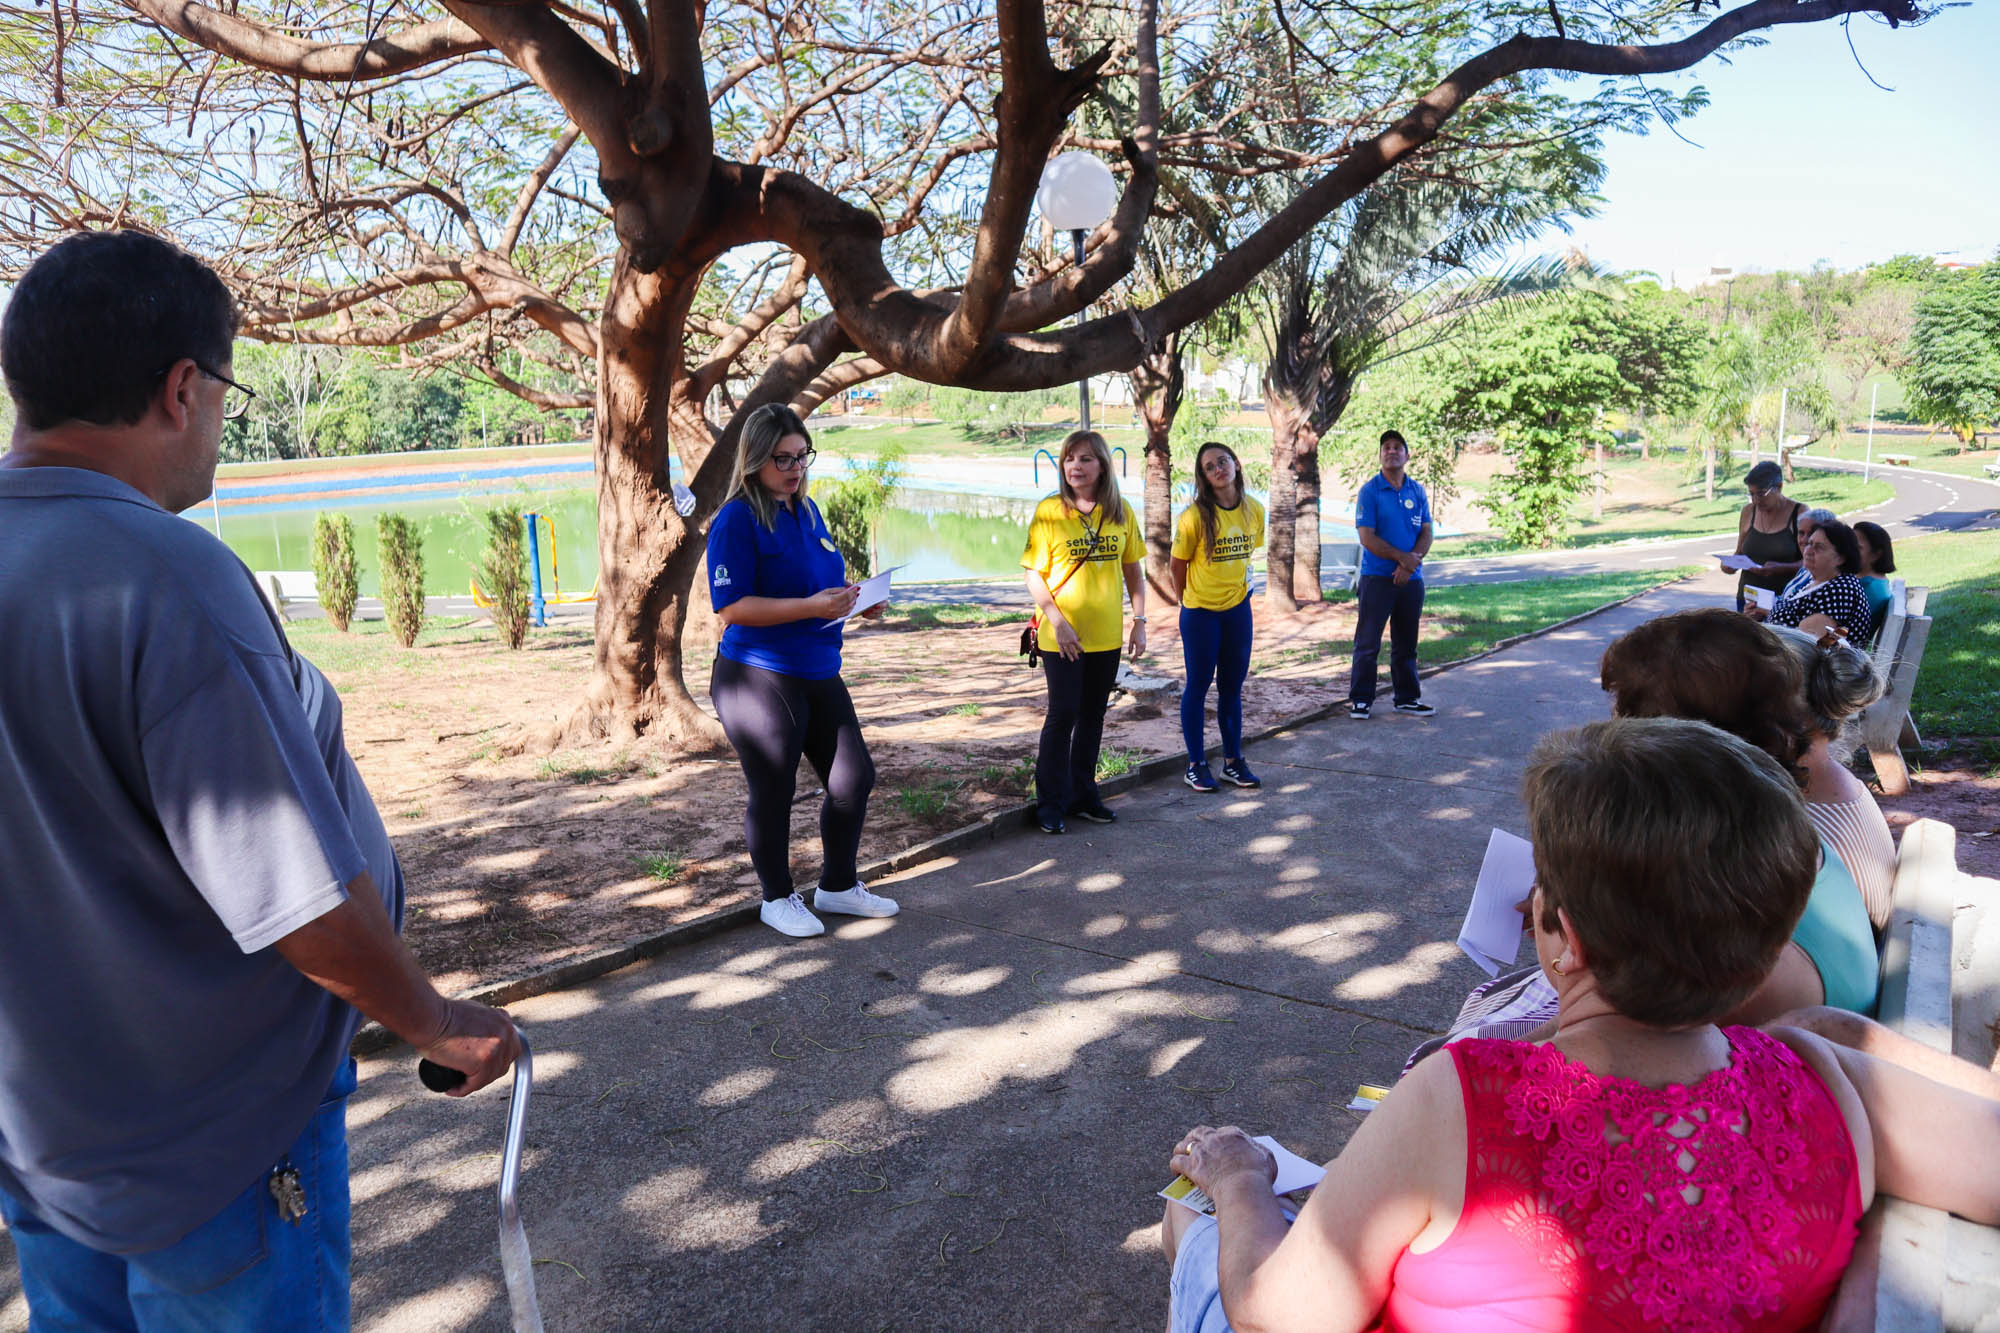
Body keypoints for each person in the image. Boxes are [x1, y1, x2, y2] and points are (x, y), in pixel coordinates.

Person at [0, 229, 520, 1331]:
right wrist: (436, 1022)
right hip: (211, 1146)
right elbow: (297, 899)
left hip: (48, 1133)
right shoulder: (170, 577)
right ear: (182, 387)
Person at [1161, 718, 2000, 1333]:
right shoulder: (1829, 1083)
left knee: (1192, 1220)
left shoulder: (1456, 1100)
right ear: (1764, 957)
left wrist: (1239, 1179)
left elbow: (1283, 1314)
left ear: (1559, 933)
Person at [706, 402, 899, 938]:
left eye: (801, 457)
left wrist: (855, 602)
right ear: (755, 460)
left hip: (817, 668)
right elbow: (732, 607)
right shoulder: (737, 518)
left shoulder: (806, 512)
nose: (794, 469)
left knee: (853, 777)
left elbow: (817, 584)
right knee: (773, 787)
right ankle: (777, 897)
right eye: (782, 459)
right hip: (757, 673)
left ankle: (837, 887)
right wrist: (814, 606)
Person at [1020, 429, 1147, 834]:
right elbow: (1034, 576)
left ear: (1103, 466)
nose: (1076, 466)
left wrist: (1139, 621)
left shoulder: (1120, 512)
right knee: (1063, 716)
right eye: (1070, 458)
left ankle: (1083, 795)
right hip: (1062, 639)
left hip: (1106, 636)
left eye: (1086, 459)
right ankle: (1051, 804)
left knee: (1093, 717)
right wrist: (1058, 622)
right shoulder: (1050, 512)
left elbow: (1134, 573)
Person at [1172, 442, 1265, 792]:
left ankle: (1232, 762)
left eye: (1222, 461)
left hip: (1238, 610)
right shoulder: (1194, 517)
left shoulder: (1255, 511)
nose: (1218, 469)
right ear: (1205, 478)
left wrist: (1239, 593)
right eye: (1209, 467)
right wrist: (1189, 601)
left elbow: (1248, 556)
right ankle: (1195, 764)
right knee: (1198, 684)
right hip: (1200, 614)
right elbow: (1176, 566)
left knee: (1232, 687)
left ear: (1236, 464)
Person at [1347, 430, 1435, 720]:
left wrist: (1410, 566)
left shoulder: (1417, 491)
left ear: (1407, 456)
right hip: (1377, 579)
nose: (1392, 451)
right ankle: (1361, 700)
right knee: (1368, 643)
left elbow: (1426, 531)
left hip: (1411, 581)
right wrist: (1402, 559)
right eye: (1386, 447)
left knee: (1407, 643)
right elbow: (1367, 538)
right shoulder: (1370, 491)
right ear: (1381, 455)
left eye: (1398, 447)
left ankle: (1406, 698)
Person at [1754, 518, 1873, 640]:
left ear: (1840, 558)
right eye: (1810, 544)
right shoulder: (1818, 581)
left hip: (1803, 656)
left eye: (1819, 547)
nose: (1809, 551)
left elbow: (1807, 642)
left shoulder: (1841, 589)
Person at [1729, 459, 1805, 611]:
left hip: (1783, 602)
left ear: (1779, 487)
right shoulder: (1748, 511)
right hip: (1747, 600)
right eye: (1751, 494)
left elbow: (1812, 564)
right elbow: (1740, 552)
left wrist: (1781, 568)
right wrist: (1730, 564)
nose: (1756, 500)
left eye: (1762, 494)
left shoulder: (1800, 513)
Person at [1852, 519, 1898, 640]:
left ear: (1876, 555)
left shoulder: (1869, 589)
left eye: (1857, 548)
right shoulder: (1875, 582)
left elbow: (1846, 633)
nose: (1848, 552)